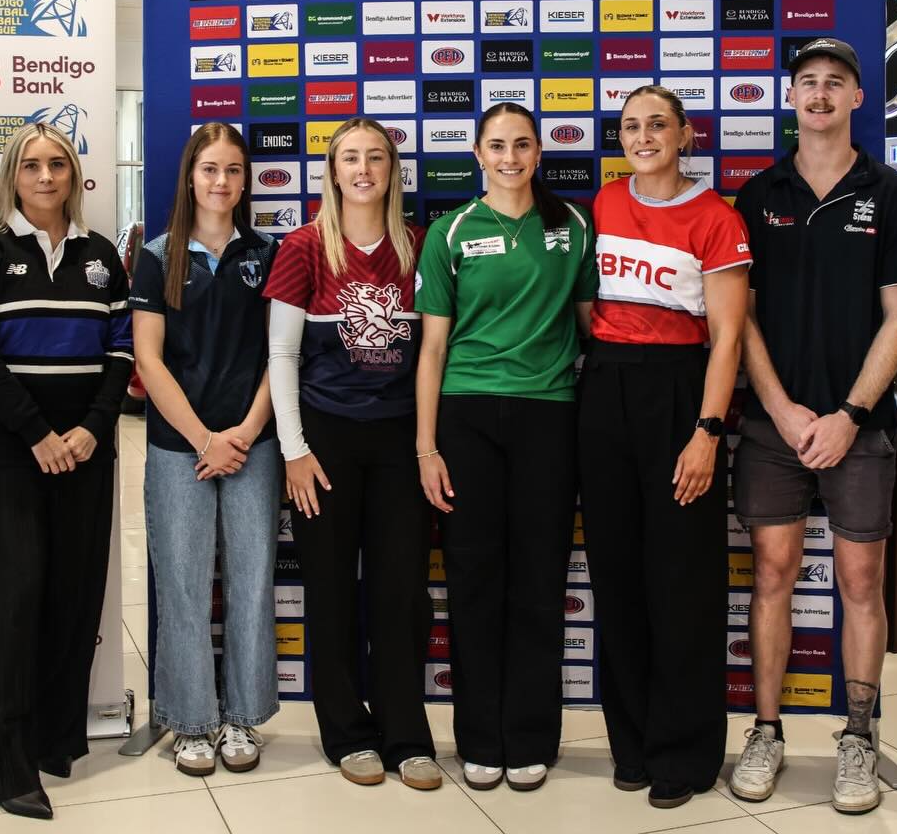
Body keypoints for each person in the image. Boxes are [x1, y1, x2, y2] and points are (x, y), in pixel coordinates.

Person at [729, 38, 897, 814]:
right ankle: (767, 732)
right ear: (791, 97)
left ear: (857, 98)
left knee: (861, 581)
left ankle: (859, 738)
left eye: (834, 83)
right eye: (807, 82)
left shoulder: (894, 195)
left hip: (861, 430)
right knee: (772, 573)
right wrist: (781, 408)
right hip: (772, 425)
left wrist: (849, 415)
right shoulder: (758, 194)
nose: (819, 94)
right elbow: (740, 318)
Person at [0, 121, 132, 820]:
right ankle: (5, 768)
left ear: (75, 175)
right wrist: (37, 434)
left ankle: (56, 740)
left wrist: (91, 427)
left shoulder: (100, 256)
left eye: (58, 163)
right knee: (18, 597)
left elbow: (121, 351)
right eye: (32, 165)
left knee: (74, 594)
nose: (47, 176)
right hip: (10, 450)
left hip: (84, 447)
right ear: (12, 177)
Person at [416, 101, 597, 793]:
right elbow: (433, 350)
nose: (510, 157)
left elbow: (592, 326)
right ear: (478, 154)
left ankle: (530, 737)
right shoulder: (451, 231)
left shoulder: (572, 226)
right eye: (497, 145)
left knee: (539, 581)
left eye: (522, 145)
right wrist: (426, 446)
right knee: (473, 579)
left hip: (549, 414)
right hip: (466, 417)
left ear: (539, 152)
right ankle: (479, 740)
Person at [580, 86, 750, 809]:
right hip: (605, 391)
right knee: (617, 576)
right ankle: (633, 744)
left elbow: (728, 337)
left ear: (685, 134)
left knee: (682, 582)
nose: (644, 136)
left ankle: (684, 751)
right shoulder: (602, 204)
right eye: (631, 126)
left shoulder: (716, 217)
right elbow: (587, 308)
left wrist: (707, 432)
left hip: (682, 395)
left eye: (658, 124)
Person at [262, 117, 439, 791]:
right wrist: (294, 451)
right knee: (331, 590)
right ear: (332, 172)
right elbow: (281, 354)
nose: (363, 169)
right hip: (324, 441)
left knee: (401, 593)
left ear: (392, 170)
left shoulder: (419, 246)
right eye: (350, 159)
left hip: (399, 442)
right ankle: (346, 734)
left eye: (375, 158)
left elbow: (432, 351)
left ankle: (407, 736)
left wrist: (425, 446)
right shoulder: (304, 248)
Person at [130, 123, 280, 778]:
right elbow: (148, 360)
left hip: (253, 444)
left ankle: (242, 715)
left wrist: (242, 434)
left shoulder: (268, 253)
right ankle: (191, 721)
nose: (222, 181)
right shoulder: (157, 255)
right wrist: (204, 440)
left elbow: (281, 354)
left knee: (252, 583)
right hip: (178, 448)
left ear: (245, 182)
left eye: (233, 171)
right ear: (190, 176)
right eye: (210, 169)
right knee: (184, 587)